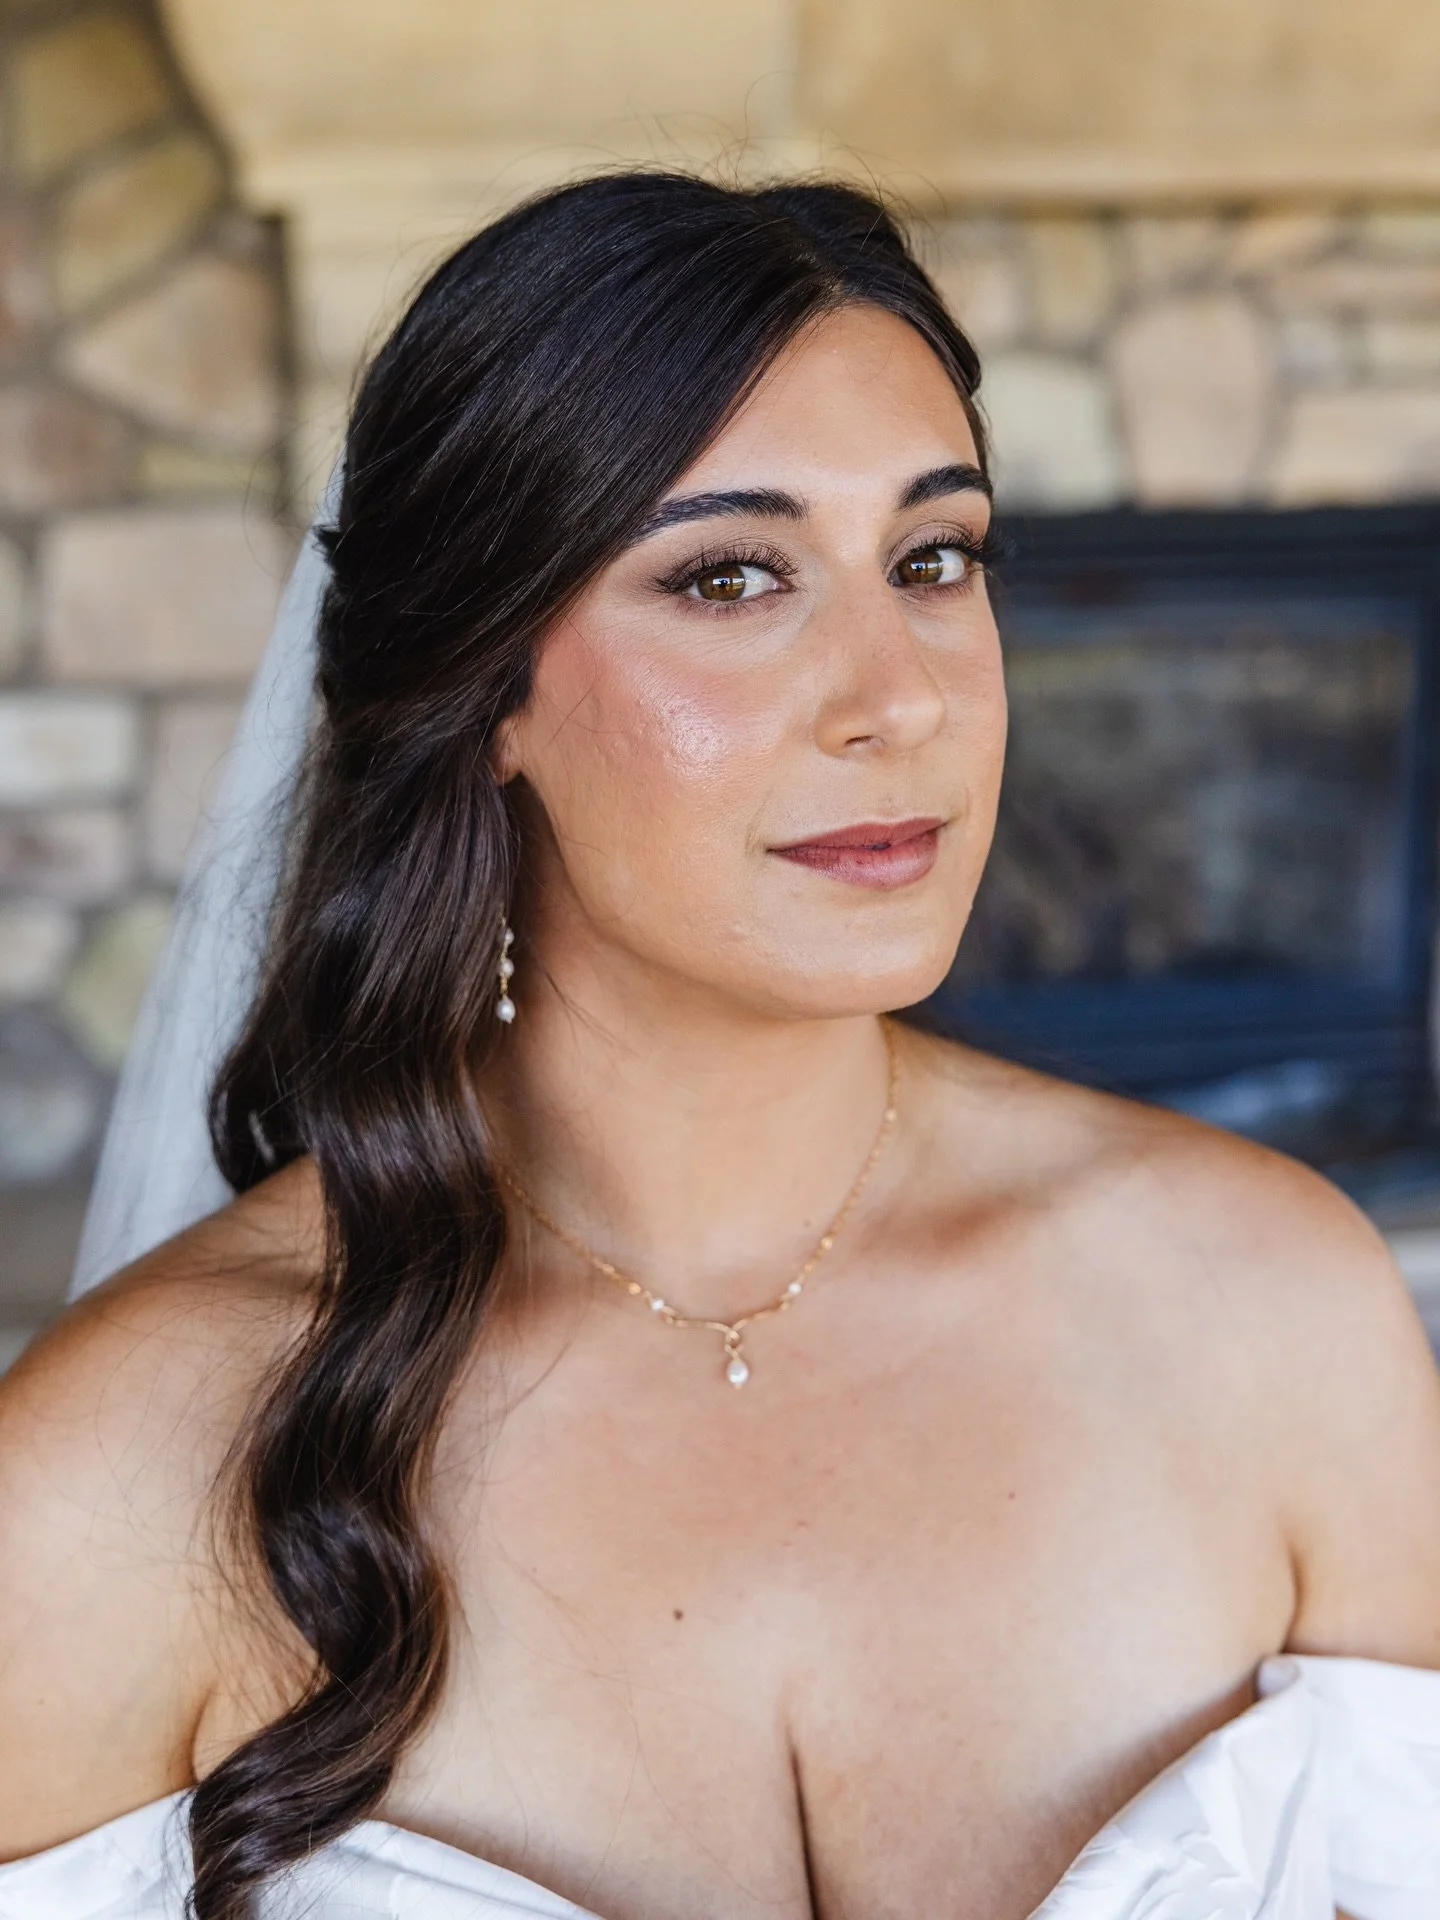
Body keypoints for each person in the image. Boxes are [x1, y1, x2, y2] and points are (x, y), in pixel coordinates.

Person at [0, 171, 1437, 1920]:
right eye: (732, 576)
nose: (901, 696)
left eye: (933, 558)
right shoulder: (113, 1486)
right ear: (485, 689)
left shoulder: (1274, 1315)